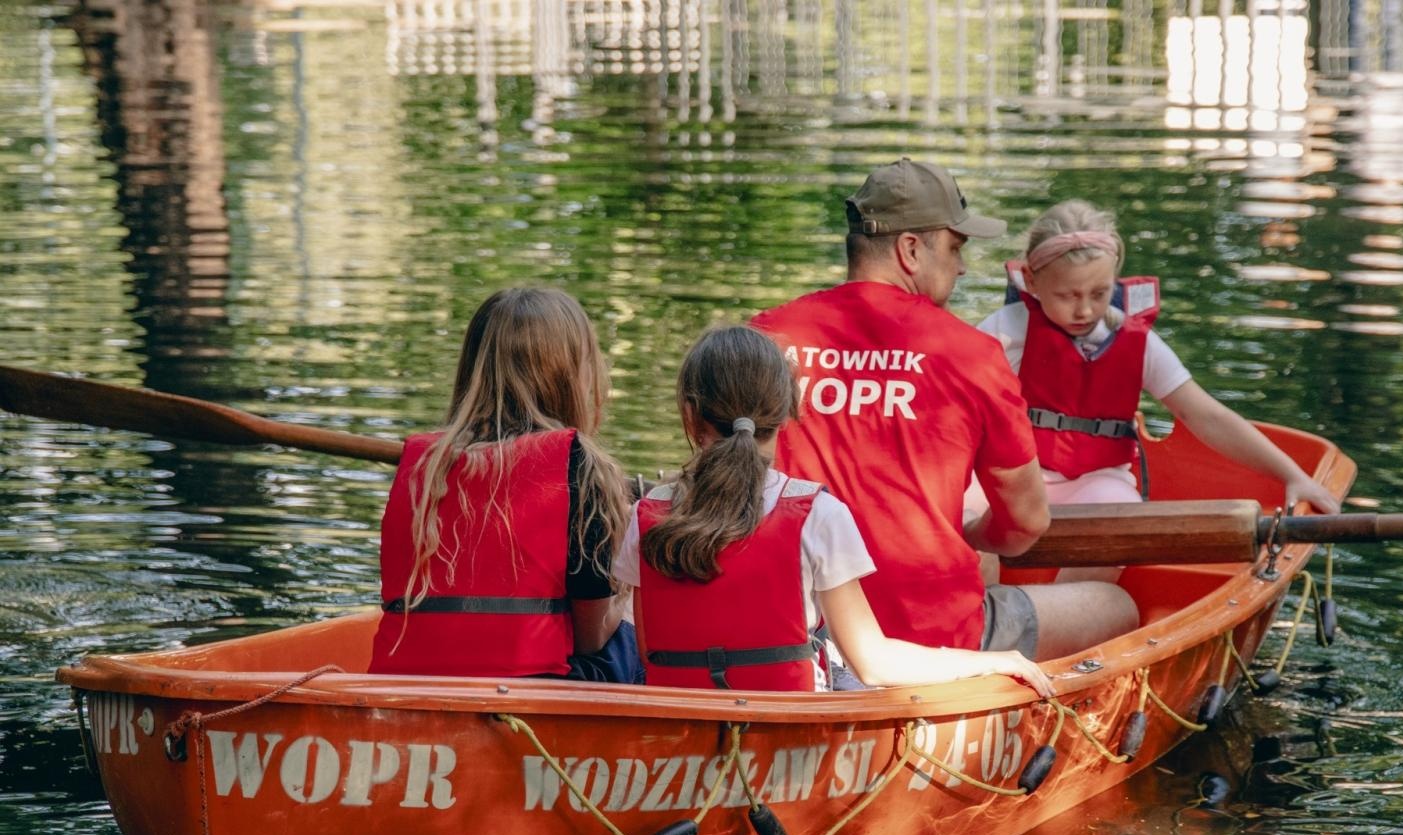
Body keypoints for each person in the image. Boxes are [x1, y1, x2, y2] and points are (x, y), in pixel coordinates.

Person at [750, 158, 1138, 663]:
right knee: (1118, 606)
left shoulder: (765, 338)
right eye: (955, 248)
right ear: (911, 250)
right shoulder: (971, 354)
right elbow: (1025, 522)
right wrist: (977, 535)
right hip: (930, 633)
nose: (961, 267)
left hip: (791, 631)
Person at [611, 325, 1054, 696]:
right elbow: (876, 665)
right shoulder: (817, 514)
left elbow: (651, 654)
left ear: (690, 416)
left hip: (681, 737)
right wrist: (991, 661)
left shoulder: (647, 515)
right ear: (789, 412)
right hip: (792, 736)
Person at [976, 199, 1342, 521]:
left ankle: (1068, 600)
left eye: (1100, 293)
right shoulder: (1006, 331)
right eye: (1067, 295)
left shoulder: (1137, 342)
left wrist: (1293, 476)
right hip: (1014, 474)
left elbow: (1205, 415)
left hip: (1097, 483)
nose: (1085, 309)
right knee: (955, 508)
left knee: (1120, 522)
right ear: (1031, 281)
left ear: (1114, 282)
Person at [370, 286, 640, 682]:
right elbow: (591, 639)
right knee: (639, 612)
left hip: (409, 681)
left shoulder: (422, 464)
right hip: (531, 690)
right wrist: (631, 585)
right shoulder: (579, 464)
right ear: (571, 375)